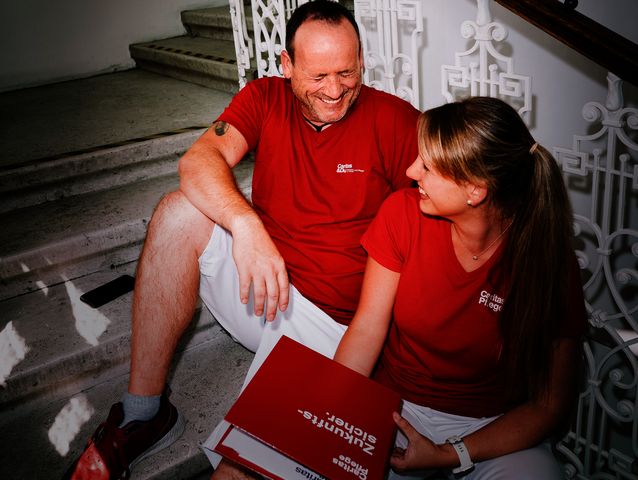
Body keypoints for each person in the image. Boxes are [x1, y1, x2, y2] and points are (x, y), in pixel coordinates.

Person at [61, 1, 421, 479]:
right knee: (177, 210)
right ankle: (142, 412)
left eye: (347, 72)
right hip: (264, 289)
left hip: (336, 330)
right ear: (286, 65)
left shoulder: (395, 121)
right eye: (317, 76)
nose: (334, 91)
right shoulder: (264, 97)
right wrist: (247, 226)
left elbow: (434, 229)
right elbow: (197, 161)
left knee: (246, 467)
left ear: (360, 62)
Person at [334, 96, 588, 479]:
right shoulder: (402, 213)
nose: (410, 170)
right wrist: (328, 410)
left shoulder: (547, 259)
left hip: (491, 425)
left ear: (475, 191)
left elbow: (550, 405)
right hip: (397, 407)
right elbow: (367, 327)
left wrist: (449, 454)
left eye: (427, 166)